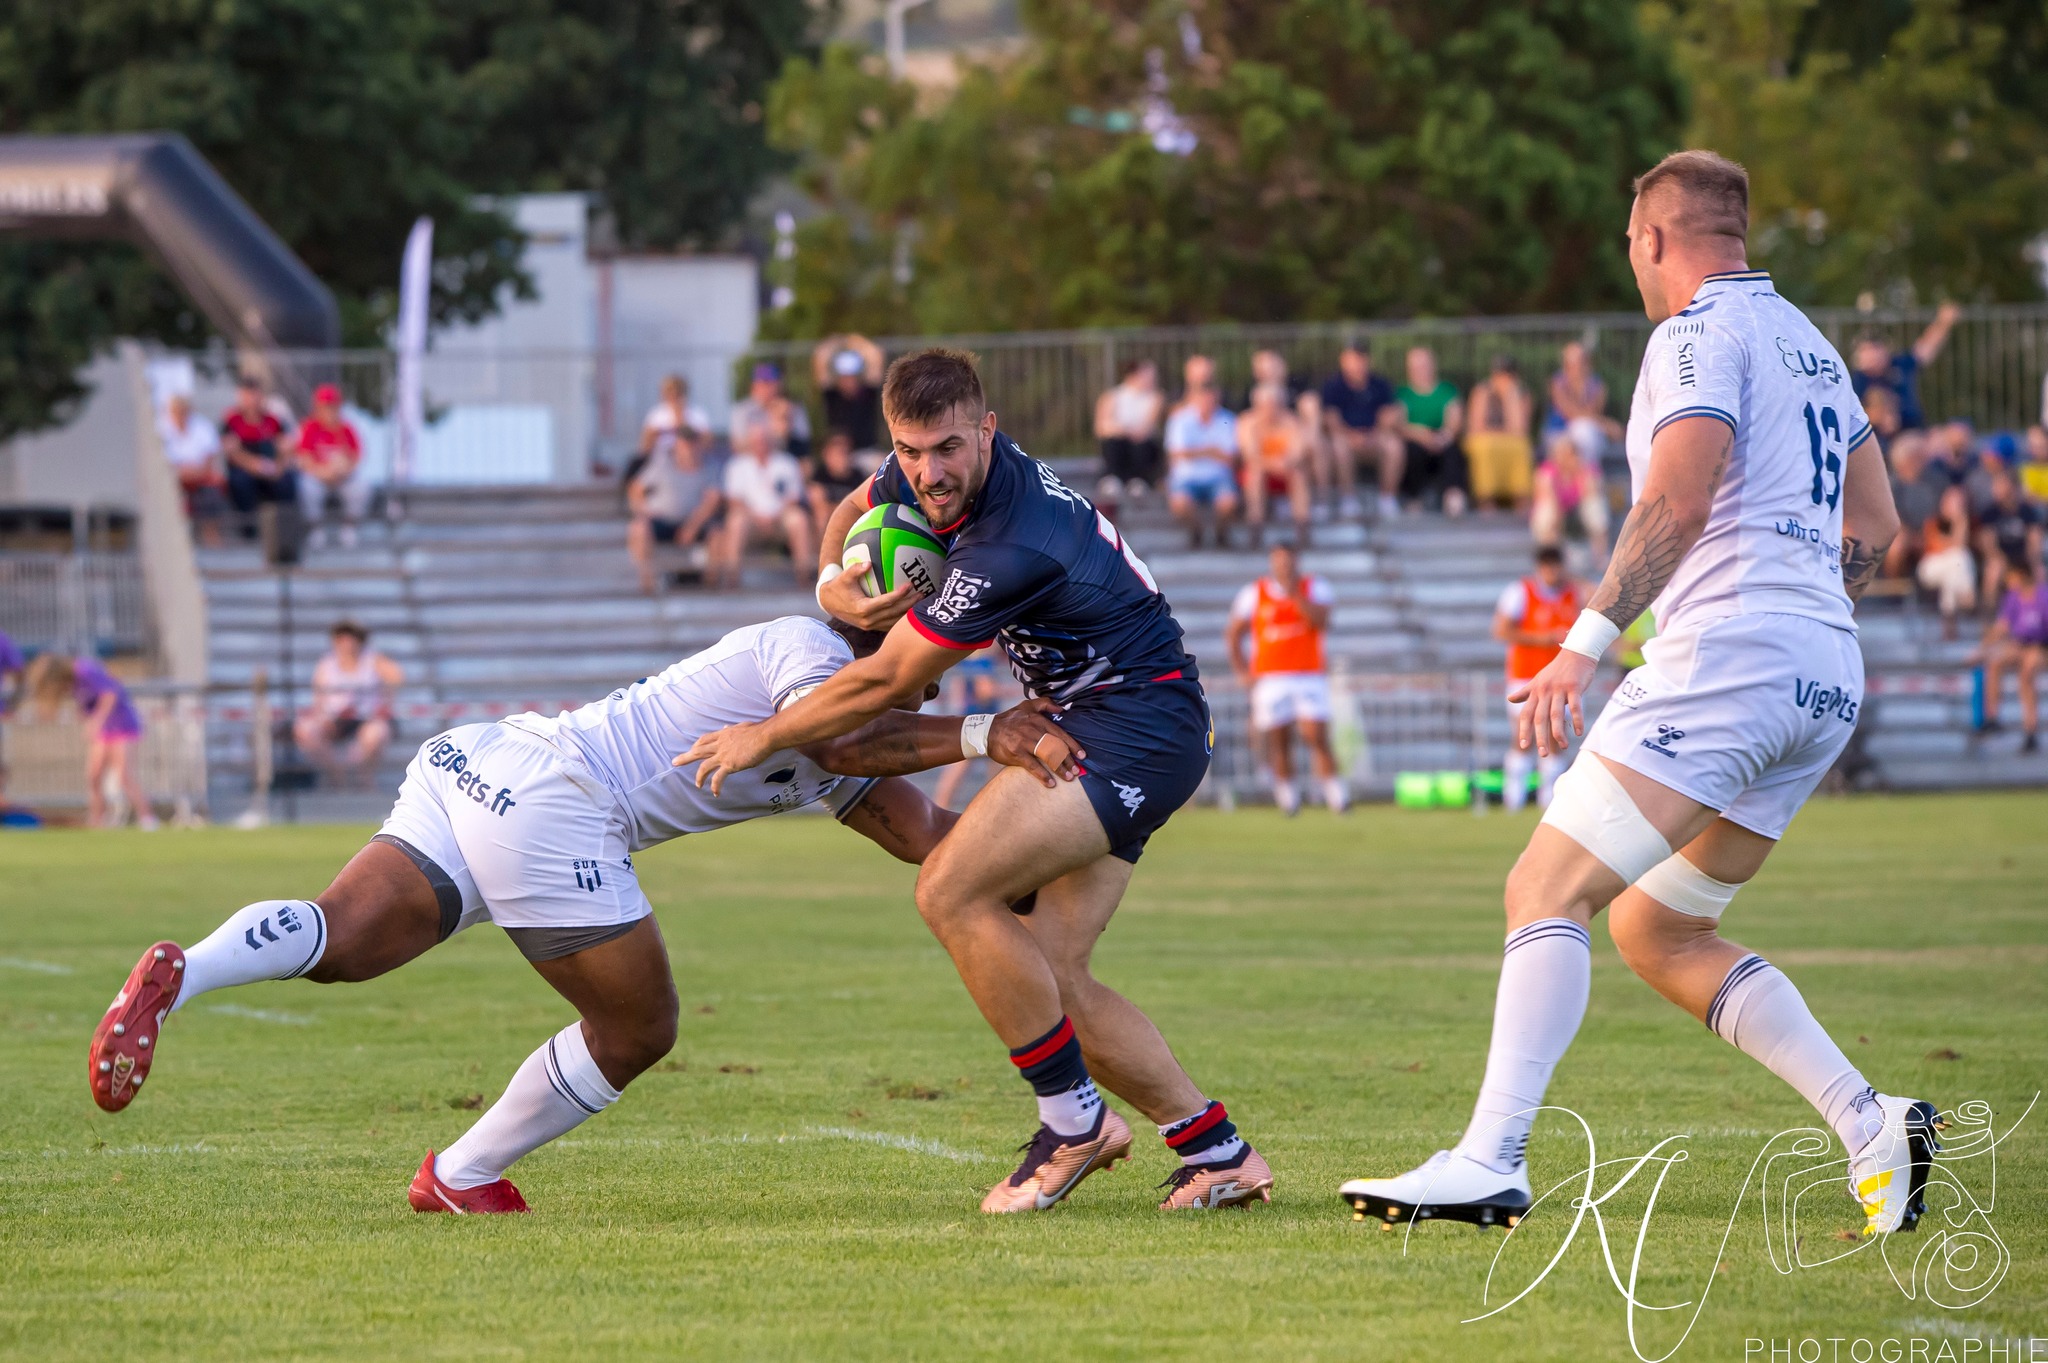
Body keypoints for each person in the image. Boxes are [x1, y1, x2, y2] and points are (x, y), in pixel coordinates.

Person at [1341, 150, 1939, 1240]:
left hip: (1732, 659)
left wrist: (1580, 646)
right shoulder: (1809, 344)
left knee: (1543, 887)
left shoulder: (1693, 333)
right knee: (1656, 929)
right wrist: (1805, 607)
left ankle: (1489, 1158)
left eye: (1630, 243)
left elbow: (1678, 490)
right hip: (1820, 670)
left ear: (1653, 238)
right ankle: (1870, 1121)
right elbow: (1879, 520)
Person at [84, 615, 1081, 1212]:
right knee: (639, 1025)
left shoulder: (839, 716)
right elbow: (846, 742)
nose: (947, 656)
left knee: (342, 942)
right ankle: (460, 1171)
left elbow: (915, 828)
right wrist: (986, 730)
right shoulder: (808, 652)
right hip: (555, 801)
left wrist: (1039, 864)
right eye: (939, 637)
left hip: (478, 760)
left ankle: (188, 970)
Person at [692, 349, 1275, 1213]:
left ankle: (1074, 1123)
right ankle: (1218, 1150)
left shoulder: (1012, 542)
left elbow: (888, 683)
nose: (927, 473)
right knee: (1051, 971)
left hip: (1132, 727)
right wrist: (831, 586)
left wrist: (763, 736)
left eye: (949, 450)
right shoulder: (923, 470)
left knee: (950, 889)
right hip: (1117, 718)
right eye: (911, 450)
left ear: (988, 431)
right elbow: (852, 507)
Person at [1226, 543, 1344, 815]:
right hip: (1271, 677)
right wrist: (1242, 671)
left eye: (1288, 561)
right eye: (1278, 561)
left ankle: (1337, 795)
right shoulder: (1254, 593)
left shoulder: (1314, 587)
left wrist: (1294, 594)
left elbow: (1321, 621)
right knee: (1280, 739)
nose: (1283, 567)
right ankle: (1288, 798)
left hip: (1308, 674)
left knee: (1316, 735)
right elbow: (1234, 633)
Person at [1492, 547, 1587, 811]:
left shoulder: (1573, 593)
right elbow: (1501, 630)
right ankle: (1514, 798)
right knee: (1523, 736)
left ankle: (1551, 800)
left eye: (1556, 565)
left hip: (1561, 678)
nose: (1552, 572)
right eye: (1547, 566)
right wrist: (1541, 638)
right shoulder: (1520, 592)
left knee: (1556, 737)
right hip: (1526, 675)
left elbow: (1599, 596)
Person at [25, 653, 155, 829]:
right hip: (104, 731)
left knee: (124, 775)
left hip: (121, 725)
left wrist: (96, 721)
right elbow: (86, 704)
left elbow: (110, 695)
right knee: (93, 776)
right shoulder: (72, 684)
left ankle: (147, 818)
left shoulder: (85, 670)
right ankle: (97, 821)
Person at [294, 622, 404, 787]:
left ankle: (363, 776)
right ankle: (336, 775)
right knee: (305, 730)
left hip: (365, 718)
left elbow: (397, 678)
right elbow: (318, 695)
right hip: (335, 718)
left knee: (377, 733)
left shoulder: (372, 660)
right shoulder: (327, 664)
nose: (346, 644)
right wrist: (322, 716)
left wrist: (386, 702)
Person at [713, 421, 814, 590]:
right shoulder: (738, 465)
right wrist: (756, 516)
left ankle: (805, 576)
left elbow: (794, 496)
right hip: (751, 519)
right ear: (750, 442)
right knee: (736, 521)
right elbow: (734, 500)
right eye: (757, 440)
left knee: (799, 519)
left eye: (764, 439)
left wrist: (774, 515)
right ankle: (732, 578)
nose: (761, 443)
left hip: (780, 517)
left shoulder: (786, 463)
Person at [627, 423, 723, 594]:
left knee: (718, 535)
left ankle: (712, 588)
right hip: (663, 520)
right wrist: (642, 510)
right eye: (684, 443)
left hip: (696, 522)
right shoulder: (662, 464)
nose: (688, 448)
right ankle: (647, 585)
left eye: (691, 443)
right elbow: (636, 489)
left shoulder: (710, 466)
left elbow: (712, 500)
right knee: (638, 528)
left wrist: (692, 526)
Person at [1318, 343, 1404, 520]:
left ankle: (1387, 498)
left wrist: (1373, 435)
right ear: (1343, 361)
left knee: (1394, 446)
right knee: (1340, 446)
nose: (1356, 365)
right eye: (1351, 360)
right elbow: (1331, 420)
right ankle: (1348, 499)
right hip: (1346, 438)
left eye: (1360, 359)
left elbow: (1388, 415)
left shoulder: (1380, 384)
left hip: (1375, 437)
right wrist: (1352, 436)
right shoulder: (1333, 386)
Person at [1972, 556, 2048, 752]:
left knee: (2027, 674)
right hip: (2019, 644)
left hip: (2041, 647)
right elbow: (2002, 627)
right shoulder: (2013, 597)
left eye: (2011, 577)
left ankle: (2030, 730)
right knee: (1995, 662)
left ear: (2021, 575)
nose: (2007, 581)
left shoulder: (2043, 596)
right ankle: (1993, 717)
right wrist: (1981, 649)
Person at [1850, 301, 1959, 434]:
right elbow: (1853, 416)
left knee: (1956, 434)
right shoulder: (1857, 380)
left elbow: (1924, 350)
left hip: (1917, 431)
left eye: (1875, 348)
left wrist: (1943, 323)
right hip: (1888, 440)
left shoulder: (1899, 364)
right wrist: (1880, 416)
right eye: (1866, 350)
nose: (1872, 354)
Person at [1163, 382, 1241, 548]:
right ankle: (1196, 531)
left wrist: (1194, 452)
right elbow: (1177, 453)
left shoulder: (1228, 419)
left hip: (1218, 477)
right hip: (1187, 477)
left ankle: (1221, 533)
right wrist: (1211, 451)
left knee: (1228, 503)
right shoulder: (1180, 419)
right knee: (1179, 504)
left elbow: (1230, 457)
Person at [293, 384, 370, 547]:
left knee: (361, 487)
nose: (330, 410)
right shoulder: (310, 427)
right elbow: (303, 459)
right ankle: (315, 529)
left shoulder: (346, 428)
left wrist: (343, 470)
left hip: (342, 477)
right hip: (318, 475)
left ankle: (349, 528)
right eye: (325, 406)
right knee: (306, 486)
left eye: (333, 406)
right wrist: (323, 472)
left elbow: (356, 457)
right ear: (318, 407)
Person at [1236, 382, 1312, 547]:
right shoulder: (1248, 423)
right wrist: (1273, 464)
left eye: (1275, 404)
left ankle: (1302, 526)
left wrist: (1284, 463)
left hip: (1285, 470)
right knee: (1255, 475)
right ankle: (1255, 526)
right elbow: (1250, 455)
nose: (1271, 409)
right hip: (1260, 470)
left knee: (1298, 475)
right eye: (1266, 405)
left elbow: (1297, 453)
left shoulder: (1291, 422)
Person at [220, 377, 296, 537]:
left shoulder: (273, 420)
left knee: (287, 480)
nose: (253, 401)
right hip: (245, 469)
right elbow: (232, 453)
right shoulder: (232, 421)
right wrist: (255, 466)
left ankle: (283, 530)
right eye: (248, 396)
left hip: (271, 468)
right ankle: (249, 532)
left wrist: (278, 467)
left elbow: (285, 447)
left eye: (256, 395)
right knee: (241, 482)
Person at [1396, 346, 1467, 514]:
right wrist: (1422, 437)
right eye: (1416, 366)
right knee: (1410, 451)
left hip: (1441, 437)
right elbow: (1399, 424)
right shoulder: (1402, 393)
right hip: (1415, 439)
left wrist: (1444, 436)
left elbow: (1455, 418)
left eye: (1424, 365)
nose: (1421, 370)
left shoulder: (1447, 390)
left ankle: (1453, 497)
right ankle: (1414, 498)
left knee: (1452, 451)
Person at [934, 648, 1007, 810]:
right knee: (965, 766)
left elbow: (957, 690)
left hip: (974, 719)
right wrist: (1018, 692)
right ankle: (941, 806)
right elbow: (986, 691)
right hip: (982, 721)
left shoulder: (968, 659)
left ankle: (995, 809)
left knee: (995, 768)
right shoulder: (982, 661)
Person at [1529, 431, 1611, 568]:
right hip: (1558, 513)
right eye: (1562, 453)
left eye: (1570, 453)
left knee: (1595, 506)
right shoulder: (1547, 471)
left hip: (1579, 513)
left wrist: (1580, 474)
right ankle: (1551, 560)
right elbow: (1546, 495)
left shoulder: (1587, 469)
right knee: (1546, 512)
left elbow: (1591, 494)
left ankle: (1601, 556)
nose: (1566, 458)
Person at [1464, 355, 1535, 511]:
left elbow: (1520, 428)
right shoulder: (1481, 391)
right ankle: (1486, 500)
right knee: (1485, 446)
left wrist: (1510, 397)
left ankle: (1520, 499)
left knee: (1521, 447)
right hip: (1486, 439)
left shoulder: (1522, 394)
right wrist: (1502, 432)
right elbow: (1476, 426)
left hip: (1510, 440)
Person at [158, 394, 227, 546]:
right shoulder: (162, 431)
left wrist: (189, 473)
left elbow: (209, 463)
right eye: (175, 412)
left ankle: (210, 533)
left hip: (199, 477)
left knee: (212, 488)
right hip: (176, 478)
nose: (179, 415)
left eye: (182, 411)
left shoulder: (203, 428)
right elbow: (163, 466)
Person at [1093, 358, 1165, 503]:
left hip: (1142, 443)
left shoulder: (1156, 397)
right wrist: (1124, 431)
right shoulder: (1112, 396)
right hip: (1120, 440)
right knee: (1113, 443)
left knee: (1141, 444)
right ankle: (1113, 479)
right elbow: (1101, 427)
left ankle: (1138, 480)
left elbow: (1149, 426)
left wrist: (1126, 430)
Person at [1972, 469, 2043, 612]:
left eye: (2000, 485)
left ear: (2012, 487)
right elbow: (1987, 542)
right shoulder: (1990, 512)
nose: (1996, 489)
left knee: (2039, 570)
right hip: (2000, 557)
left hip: (2022, 556)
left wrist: (2032, 559)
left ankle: (2040, 614)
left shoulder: (2026, 510)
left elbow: (2034, 536)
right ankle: (1989, 614)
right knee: (1994, 569)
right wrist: (1999, 557)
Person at [626, 374, 711, 488]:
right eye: (669, 392)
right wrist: (654, 434)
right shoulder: (656, 414)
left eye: (677, 392)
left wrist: (681, 419)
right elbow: (644, 447)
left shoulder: (697, 414)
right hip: (662, 458)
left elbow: (708, 443)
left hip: (691, 459)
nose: (673, 396)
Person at [812, 334, 886, 463]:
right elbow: (820, 357)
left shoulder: (868, 393)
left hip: (867, 452)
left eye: (852, 376)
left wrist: (854, 340)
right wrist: (840, 340)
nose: (848, 380)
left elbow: (876, 355)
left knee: (883, 466)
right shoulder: (832, 395)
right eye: (845, 376)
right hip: (839, 454)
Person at [1546, 341, 1620, 466]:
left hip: (1587, 431)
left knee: (1584, 429)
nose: (1577, 367)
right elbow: (1570, 413)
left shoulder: (1597, 385)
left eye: (1581, 361)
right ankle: (1588, 475)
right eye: (1572, 363)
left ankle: (1587, 475)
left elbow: (1592, 413)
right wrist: (1605, 424)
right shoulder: (1557, 383)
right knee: (1584, 430)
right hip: (1559, 433)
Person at [1918, 484, 1976, 639]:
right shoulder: (1932, 522)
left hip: (1950, 570)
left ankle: (1948, 624)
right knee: (1959, 556)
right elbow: (1941, 546)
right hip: (1929, 567)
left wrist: (1960, 522)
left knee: (1955, 566)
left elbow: (1959, 544)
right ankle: (1966, 593)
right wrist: (1958, 527)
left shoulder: (1967, 522)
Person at [1881, 431, 1942, 580]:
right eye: (1920, 457)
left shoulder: (1934, 481)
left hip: (1930, 532)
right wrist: (1912, 537)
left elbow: (1940, 511)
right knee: (1898, 546)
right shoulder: (1891, 485)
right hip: (1903, 535)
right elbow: (1892, 518)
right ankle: (1893, 588)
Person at [729, 362, 811, 460]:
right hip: (751, 463)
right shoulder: (742, 410)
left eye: (771, 383)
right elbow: (738, 446)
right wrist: (766, 438)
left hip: (786, 461)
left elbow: (804, 444)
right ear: (753, 386)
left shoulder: (794, 408)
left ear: (779, 385)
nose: (767, 389)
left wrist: (786, 420)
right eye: (763, 383)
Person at [806, 431, 869, 539]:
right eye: (838, 453)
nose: (842, 457)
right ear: (827, 455)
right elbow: (817, 502)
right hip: (826, 522)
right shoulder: (820, 475)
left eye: (845, 452)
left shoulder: (858, 475)